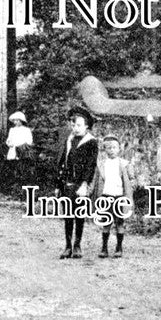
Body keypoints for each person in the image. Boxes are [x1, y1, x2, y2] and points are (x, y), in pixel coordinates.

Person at [57, 106, 99, 259]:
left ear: (86, 126)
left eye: (79, 125)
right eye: (73, 125)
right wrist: (58, 183)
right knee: (68, 214)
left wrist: (84, 184)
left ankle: (77, 245)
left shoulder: (91, 142)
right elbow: (63, 161)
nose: (75, 128)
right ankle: (68, 245)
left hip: (80, 184)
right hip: (66, 183)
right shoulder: (69, 140)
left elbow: (91, 165)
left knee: (79, 214)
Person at [93, 135, 134, 258]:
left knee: (119, 223)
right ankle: (104, 248)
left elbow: (131, 179)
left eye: (114, 147)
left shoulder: (124, 164)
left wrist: (130, 188)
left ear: (119, 149)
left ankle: (119, 247)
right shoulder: (101, 164)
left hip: (119, 197)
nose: (111, 150)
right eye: (108, 148)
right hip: (106, 196)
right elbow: (96, 181)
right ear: (105, 150)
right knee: (106, 223)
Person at [3, 110, 33, 190]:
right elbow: (8, 140)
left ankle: (21, 186)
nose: (15, 122)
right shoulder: (12, 130)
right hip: (13, 150)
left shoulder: (26, 130)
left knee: (22, 167)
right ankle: (13, 186)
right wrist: (9, 143)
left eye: (17, 120)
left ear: (21, 121)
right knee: (13, 167)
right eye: (14, 120)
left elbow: (29, 141)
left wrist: (21, 146)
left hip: (22, 151)